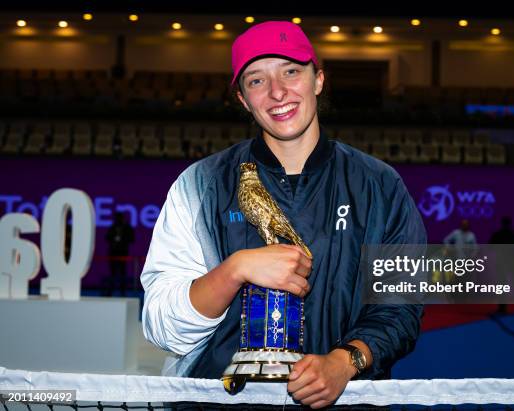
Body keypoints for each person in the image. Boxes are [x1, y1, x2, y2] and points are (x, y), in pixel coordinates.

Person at [141, 21, 426, 409]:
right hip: (214, 402)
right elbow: (162, 327)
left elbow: (400, 307)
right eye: (257, 80)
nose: (278, 92)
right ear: (243, 99)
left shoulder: (380, 185)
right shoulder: (200, 185)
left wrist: (345, 362)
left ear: (318, 80)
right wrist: (234, 270)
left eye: (291, 71)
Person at [489, 216, 514, 315]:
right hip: (512, 262)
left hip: (503, 262)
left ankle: (503, 309)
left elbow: (490, 247)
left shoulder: (498, 234)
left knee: (503, 286)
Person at [104, 212, 134, 297]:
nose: (118, 220)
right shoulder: (113, 227)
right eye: (117, 218)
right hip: (113, 253)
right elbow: (107, 237)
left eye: (120, 218)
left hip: (123, 253)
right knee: (112, 274)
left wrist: (122, 239)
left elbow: (132, 238)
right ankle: (110, 292)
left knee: (122, 274)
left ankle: (122, 292)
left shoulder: (127, 228)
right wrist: (114, 239)